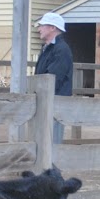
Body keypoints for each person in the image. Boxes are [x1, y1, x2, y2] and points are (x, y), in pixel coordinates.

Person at [34, 10, 73, 143]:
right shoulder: (49, 48)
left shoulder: (61, 50)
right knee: (43, 140)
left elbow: (53, 79)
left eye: (42, 25)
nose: (39, 29)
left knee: (52, 142)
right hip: (46, 101)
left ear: (52, 28)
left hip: (54, 104)